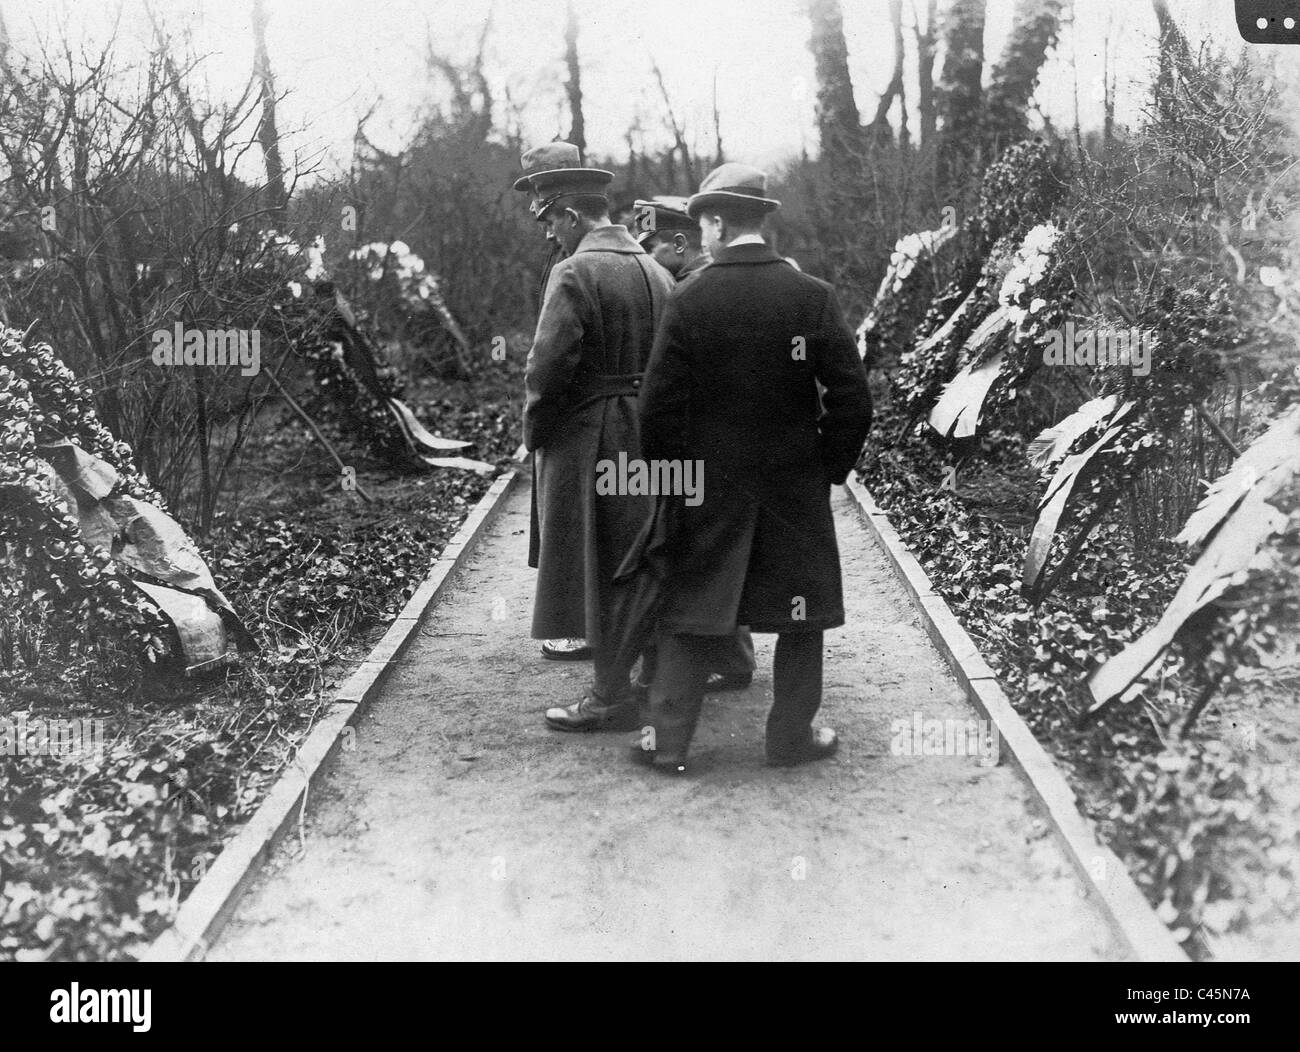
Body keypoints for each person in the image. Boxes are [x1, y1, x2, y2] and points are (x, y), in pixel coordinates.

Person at [632, 162, 873, 772]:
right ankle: (791, 737)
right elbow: (853, 401)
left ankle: (670, 743)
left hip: (707, 481)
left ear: (714, 221)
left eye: (702, 225)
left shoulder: (689, 298)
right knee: (801, 610)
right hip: (793, 482)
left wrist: (674, 477)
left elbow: (658, 409)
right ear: (760, 222)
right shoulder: (810, 296)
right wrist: (826, 467)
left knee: (691, 603)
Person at [510, 142, 676, 731]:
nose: (549, 234)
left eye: (550, 220)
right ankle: (656, 678)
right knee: (643, 553)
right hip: (650, 429)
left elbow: (547, 365)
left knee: (599, 560)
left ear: (572, 215)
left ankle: (610, 698)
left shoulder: (575, 270)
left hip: (592, 433)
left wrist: (535, 430)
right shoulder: (657, 269)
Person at [631, 194, 756, 695]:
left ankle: (663, 676)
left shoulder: (693, 293)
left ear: (680, 242)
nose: (647, 258)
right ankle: (734, 659)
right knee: (714, 560)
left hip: (694, 452)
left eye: (652, 246)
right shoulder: (705, 284)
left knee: (673, 560)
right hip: (727, 452)